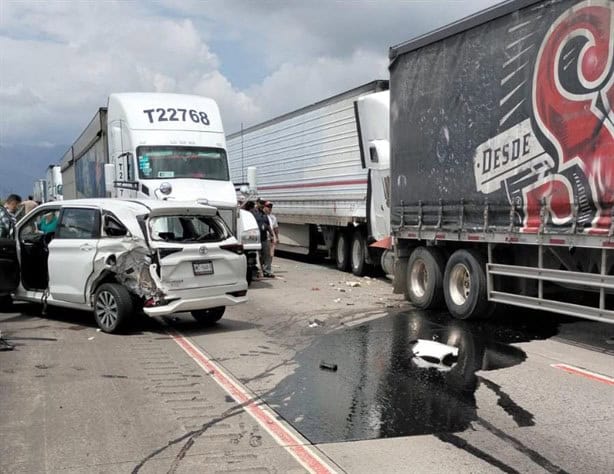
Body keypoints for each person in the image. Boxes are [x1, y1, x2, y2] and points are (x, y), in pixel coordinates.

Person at [249, 200, 273, 277]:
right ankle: (255, 271)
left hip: (264, 238)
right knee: (256, 255)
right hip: (255, 238)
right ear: (257, 203)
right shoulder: (253, 212)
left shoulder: (264, 215)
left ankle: (267, 271)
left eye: (263, 204)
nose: (262, 205)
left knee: (267, 255)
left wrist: (272, 235)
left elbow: (268, 225)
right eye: (261, 203)